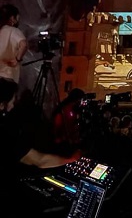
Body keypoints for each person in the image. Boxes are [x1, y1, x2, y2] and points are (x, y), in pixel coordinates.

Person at [0, 78, 81, 216]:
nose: (14, 105)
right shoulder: (4, 130)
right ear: (2, 105)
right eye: (13, 100)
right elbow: (40, 160)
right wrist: (72, 159)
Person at [0, 3, 28, 84]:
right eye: (17, 17)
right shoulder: (13, 31)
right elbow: (24, 44)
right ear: (12, 18)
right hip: (8, 77)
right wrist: (17, 59)